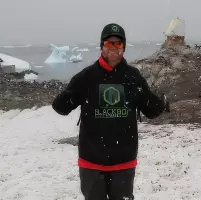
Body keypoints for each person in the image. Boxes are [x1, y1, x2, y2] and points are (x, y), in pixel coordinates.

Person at [52, 23, 170, 200]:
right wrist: (69, 93)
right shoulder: (86, 77)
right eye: (109, 43)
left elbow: (152, 110)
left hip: (123, 160)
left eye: (118, 44)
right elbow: (61, 107)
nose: (113, 47)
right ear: (102, 46)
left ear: (123, 48)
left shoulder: (132, 77)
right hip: (91, 161)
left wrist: (157, 99)